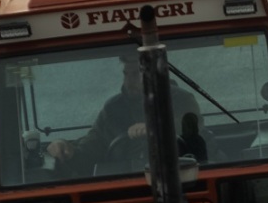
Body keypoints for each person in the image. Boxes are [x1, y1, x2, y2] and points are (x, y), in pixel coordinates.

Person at [45, 55, 203, 173]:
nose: (128, 81)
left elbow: (191, 129)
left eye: (136, 74)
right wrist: (69, 150)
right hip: (123, 182)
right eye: (126, 74)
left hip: (177, 176)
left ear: (155, 73)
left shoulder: (180, 99)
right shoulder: (114, 109)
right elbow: (94, 144)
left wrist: (155, 128)